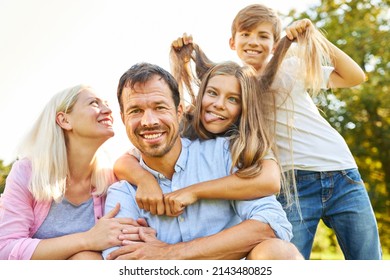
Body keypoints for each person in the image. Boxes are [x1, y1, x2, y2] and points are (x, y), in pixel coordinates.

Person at [174, 4, 381, 260]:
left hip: (340, 173)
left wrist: (314, 38)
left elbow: (354, 77)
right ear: (232, 42)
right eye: (246, 34)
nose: (253, 41)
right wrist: (184, 59)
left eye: (263, 36)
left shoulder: (292, 68)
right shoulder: (236, 87)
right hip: (291, 187)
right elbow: (202, 112)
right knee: (286, 259)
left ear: (274, 45)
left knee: (368, 261)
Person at [102, 62, 303, 260]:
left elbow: (271, 223)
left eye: (160, 107)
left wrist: (170, 253)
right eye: (135, 111)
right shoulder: (124, 190)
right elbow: (121, 260)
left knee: (278, 252)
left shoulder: (229, 153)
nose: (149, 121)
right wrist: (145, 180)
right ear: (122, 118)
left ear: (178, 111)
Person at [113, 41, 293, 217]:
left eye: (233, 99)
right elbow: (123, 162)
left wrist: (194, 192)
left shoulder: (244, 140)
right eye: (212, 93)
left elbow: (270, 181)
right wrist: (145, 180)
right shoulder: (181, 126)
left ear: (244, 108)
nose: (219, 105)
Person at [0, 84, 146, 260]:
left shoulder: (114, 177)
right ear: (64, 120)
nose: (107, 110)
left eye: (106, 104)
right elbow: (6, 248)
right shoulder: (27, 172)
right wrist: (87, 240)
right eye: (94, 103)